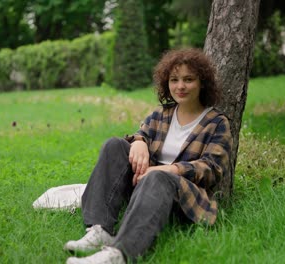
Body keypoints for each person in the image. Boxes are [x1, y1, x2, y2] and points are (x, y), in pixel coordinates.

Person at [64, 48, 233, 264]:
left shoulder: (216, 123)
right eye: (174, 79)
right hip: (144, 184)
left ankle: (119, 254)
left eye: (188, 79)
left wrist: (168, 169)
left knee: (156, 177)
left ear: (202, 83)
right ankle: (99, 230)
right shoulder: (161, 114)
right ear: (166, 83)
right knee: (114, 145)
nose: (180, 86)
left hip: (181, 195)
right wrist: (139, 141)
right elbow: (142, 132)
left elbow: (212, 169)